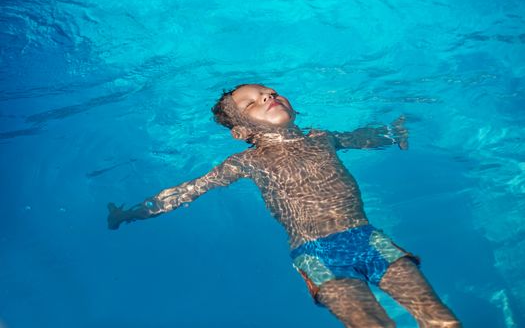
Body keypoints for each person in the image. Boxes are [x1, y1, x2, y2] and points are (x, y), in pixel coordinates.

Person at [107, 84, 460, 327]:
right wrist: (132, 213)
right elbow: (190, 190)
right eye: (252, 102)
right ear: (241, 132)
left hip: (369, 239)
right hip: (316, 253)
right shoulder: (245, 161)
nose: (267, 97)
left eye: (270, 92)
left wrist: (396, 130)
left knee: (442, 318)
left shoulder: (323, 138)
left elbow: (363, 138)